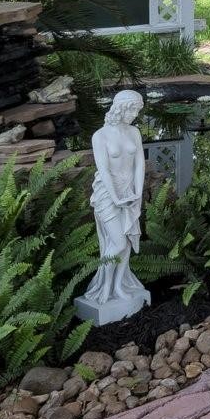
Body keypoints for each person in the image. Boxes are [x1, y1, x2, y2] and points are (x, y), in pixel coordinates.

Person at [78, 89, 150, 322]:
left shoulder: (134, 132)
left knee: (127, 240)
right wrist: (117, 197)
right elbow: (104, 170)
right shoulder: (100, 136)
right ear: (120, 108)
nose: (135, 115)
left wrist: (137, 193)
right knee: (116, 241)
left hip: (130, 192)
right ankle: (105, 287)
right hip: (107, 195)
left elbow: (139, 165)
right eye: (132, 110)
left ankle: (119, 286)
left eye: (137, 111)